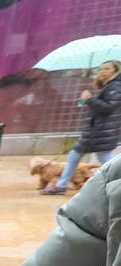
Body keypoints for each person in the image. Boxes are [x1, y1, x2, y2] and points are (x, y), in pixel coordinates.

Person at [42, 60, 121, 194]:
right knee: (98, 158)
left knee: (91, 157)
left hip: (101, 131)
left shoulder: (115, 87)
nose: (102, 71)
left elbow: (108, 108)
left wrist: (90, 99)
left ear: (116, 71)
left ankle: (61, 186)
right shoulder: (108, 86)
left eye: (107, 69)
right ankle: (62, 185)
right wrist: (90, 98)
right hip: (99, 130)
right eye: (100, 69)